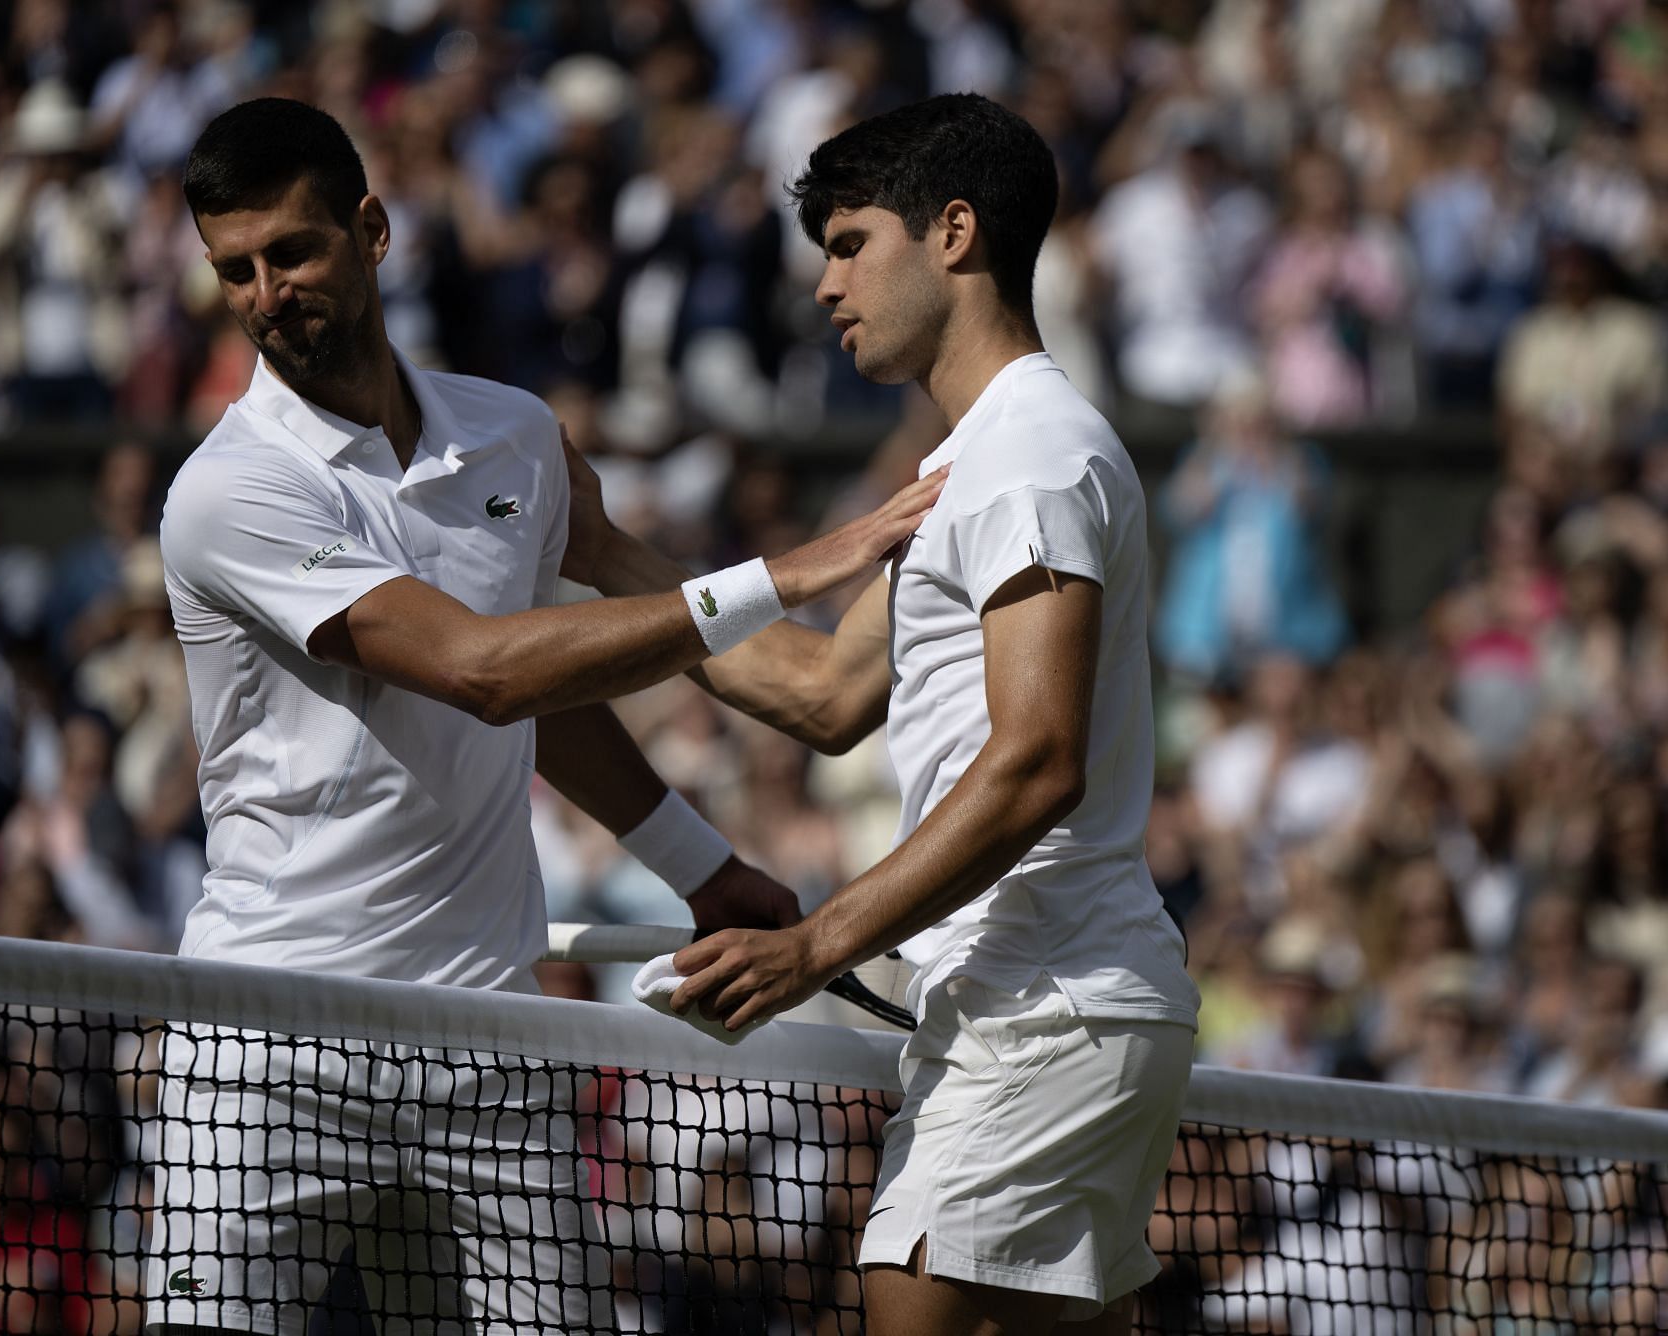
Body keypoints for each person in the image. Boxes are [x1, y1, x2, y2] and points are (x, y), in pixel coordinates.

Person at [146, 97, 940, 1335]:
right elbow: (484, 670)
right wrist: (785, 573)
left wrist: (703, 864)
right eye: (232, 271)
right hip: (267, 1046)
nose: (263, 294)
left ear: (371, 230)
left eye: (290, 253)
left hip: (489, 1039)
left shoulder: (514, 436)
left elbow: (545, 699)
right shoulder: (225, 492)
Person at [576, 93, 1200, 1333]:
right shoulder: (972, 463)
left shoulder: (1029, 451)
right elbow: (818, 694)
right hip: (1045, 1004)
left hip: (1043, 1004)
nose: (825, 285)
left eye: (850, 242)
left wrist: (814, 947)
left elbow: (1036, 763)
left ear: (954, 234)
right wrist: (599, 550)